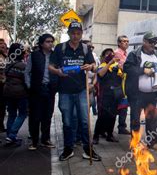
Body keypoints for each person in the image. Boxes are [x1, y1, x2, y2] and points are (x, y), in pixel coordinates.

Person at [49, 22, 100, 161]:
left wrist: (90, 66)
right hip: (65, 91)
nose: (75, 36)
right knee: (67, 122)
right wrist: (58, 72)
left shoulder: (85, 48)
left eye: (78, 33)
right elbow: (50, 66)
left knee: (84, 121)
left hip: (82, 90)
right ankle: (68, 149)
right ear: (69, 33)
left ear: (81, 34)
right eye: (73, 33)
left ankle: (88, 150)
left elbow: (94, 66)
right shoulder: (60, 48)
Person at [124, 32, 157, 152]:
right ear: (144, 42)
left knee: (153, 119)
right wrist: (142, 70)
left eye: (154, 42)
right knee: (135, 119)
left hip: (152, 94)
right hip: (137, 93)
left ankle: (153, 143)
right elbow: (126, 68)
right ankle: (135, 143)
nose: (153, 44)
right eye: (150, 42)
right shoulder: (134, 54)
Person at [24, 34, 56, 150]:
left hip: (50, 89)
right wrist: (29, 85)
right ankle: (34, 141)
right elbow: (27, 72)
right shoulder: (34, 55)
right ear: (42, 43)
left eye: (52, 41)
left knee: (47, 115)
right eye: (48, 41)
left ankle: (45, 139)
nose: (50, 43)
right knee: (35, 116)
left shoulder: (54, 56)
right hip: (36, 89)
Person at [93, 48, 122, 144]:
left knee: (112, 115)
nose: (109, 55)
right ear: (103, 56)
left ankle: (110, 135)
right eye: (107, 54)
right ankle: (96, 136)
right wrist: (110, 62)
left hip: (115, 95)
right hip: (104, 95)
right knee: (102, 116)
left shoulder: (117, 67)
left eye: (111, 53)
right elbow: (100, 74)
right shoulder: (102, 66)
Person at [3, 43, 28, 147]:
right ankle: (12, 135)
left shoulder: (7, 63)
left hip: (8, 92)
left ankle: (9, 136)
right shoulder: (23, 66)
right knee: (22, 114)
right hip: (20, 93)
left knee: (12, 114)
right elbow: (27, 81)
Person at [115, 35, 130, 135]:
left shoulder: (126, 53)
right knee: (118, 106)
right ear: (119, 43)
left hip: (125, 83)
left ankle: (122, 126)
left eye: (127, 41)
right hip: (118, 84)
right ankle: (120, 126)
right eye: (124, 41)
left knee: (124, 106)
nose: (126, 43)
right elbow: (123, 67)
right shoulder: (117, 53)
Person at [0, 39, 8, 133]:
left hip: (4, 85)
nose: (2, 46)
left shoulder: (6, 57)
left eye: (3, 44)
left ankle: (1, 125)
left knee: (2, 107)